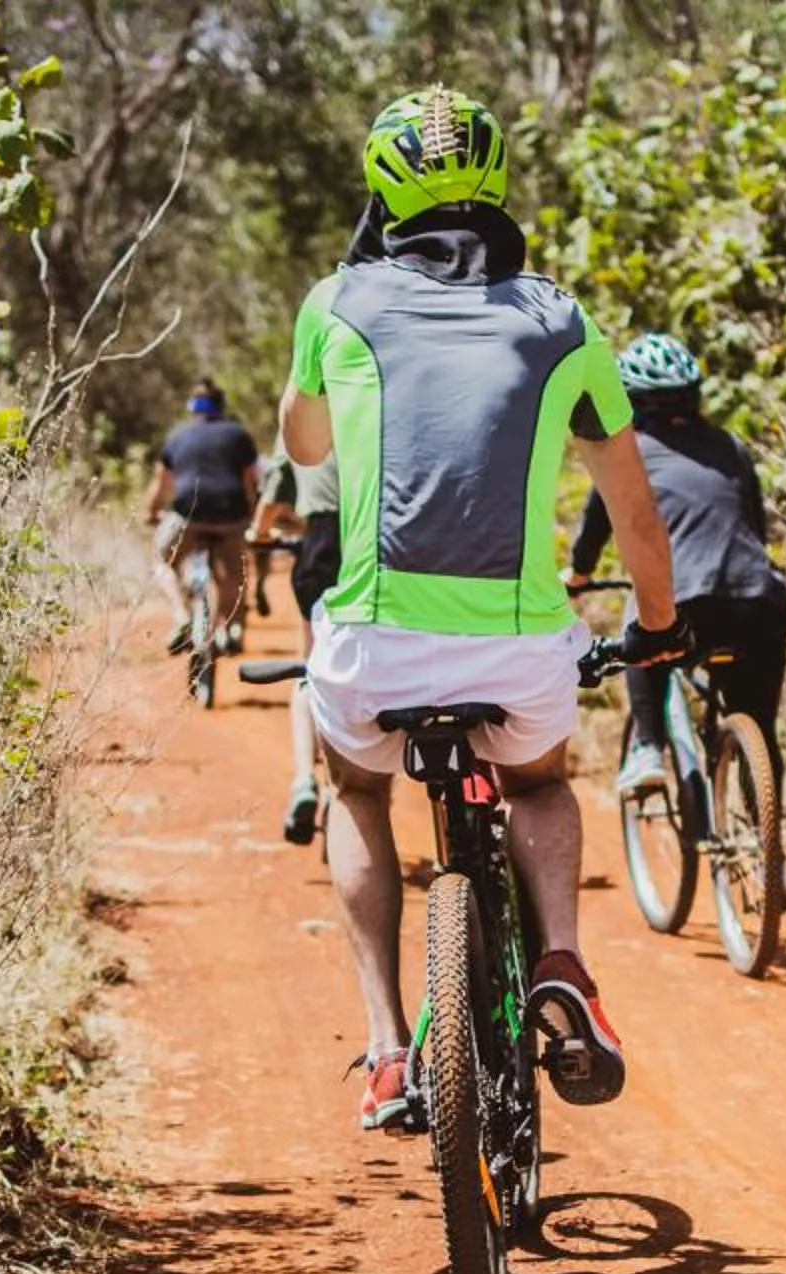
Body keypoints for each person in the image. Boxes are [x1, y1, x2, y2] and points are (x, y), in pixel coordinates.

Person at [278, 85, 691, 1133]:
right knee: (539, 784)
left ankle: (383, 1046)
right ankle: (562, 957)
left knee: (357, 795)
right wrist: (659, 628)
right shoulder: (561, 320)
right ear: (499, 180)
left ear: (382, 189)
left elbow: (303, 447)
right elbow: (635, 515)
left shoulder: (338, 303)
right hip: (515, 653)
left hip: (373, 644)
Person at [566, 334, 786, 802]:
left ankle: (647, 748)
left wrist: (578, 577)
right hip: (760, 600)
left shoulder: (627, 453)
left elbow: (595, 530)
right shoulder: (731, 447)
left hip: (687, 597)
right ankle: (773, 857)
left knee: (642, 617)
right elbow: (754, 525)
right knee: (761, 727)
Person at [252, 442, 345, 843]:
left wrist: (258, 531)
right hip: (383, 538)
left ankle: (305, 779)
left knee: (309, 664)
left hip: (322, 540)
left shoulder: (305, 404)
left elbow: (276, 483)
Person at [143, 380, 261, 656]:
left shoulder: (177, 437)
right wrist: (251, 517)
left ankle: (182, 615)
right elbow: (251, 483)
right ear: (222, 407)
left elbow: (160, 484)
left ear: (192, 408)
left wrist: (151, 513)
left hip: (187, 514)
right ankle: (227, 628)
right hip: (231, 516)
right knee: (234, 573)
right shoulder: (238, 435)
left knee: (162, 561)